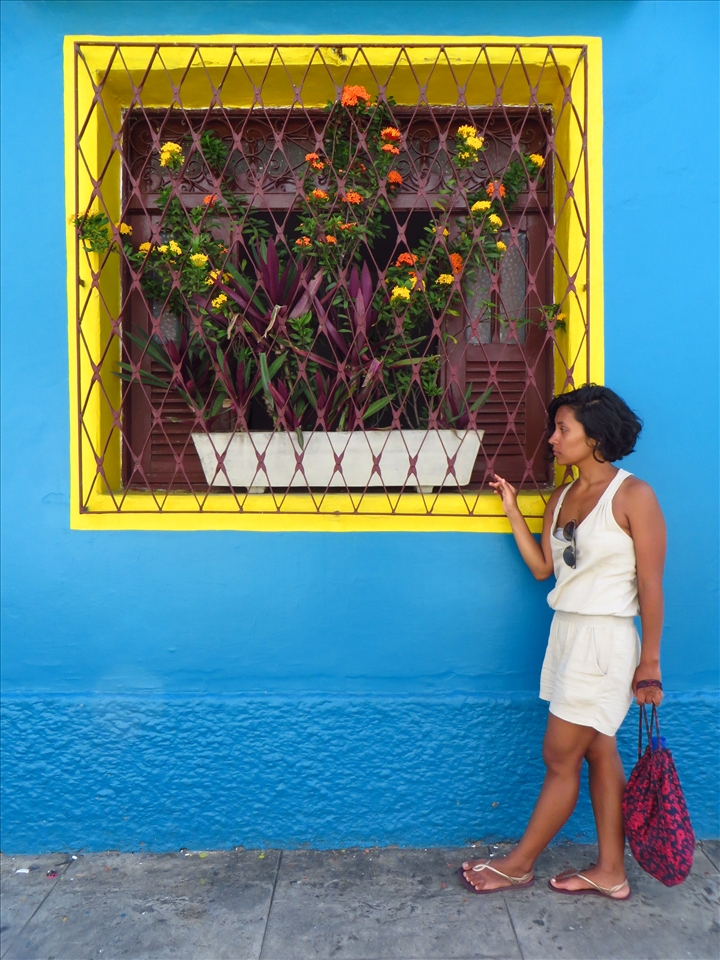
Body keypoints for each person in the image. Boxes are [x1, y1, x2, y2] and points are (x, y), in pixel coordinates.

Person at [460, 384, 666, 900]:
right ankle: (611, 871)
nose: (552, 438)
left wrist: (651, 662)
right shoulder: (562, 497)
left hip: (604, 639)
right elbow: (543, 570)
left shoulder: (632, 495)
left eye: (563, 429)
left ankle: (518, 864)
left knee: (559, 758)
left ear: (594, 437)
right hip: (567, 634)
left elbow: (651, 584)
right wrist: (511, 509)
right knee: (599, 752)